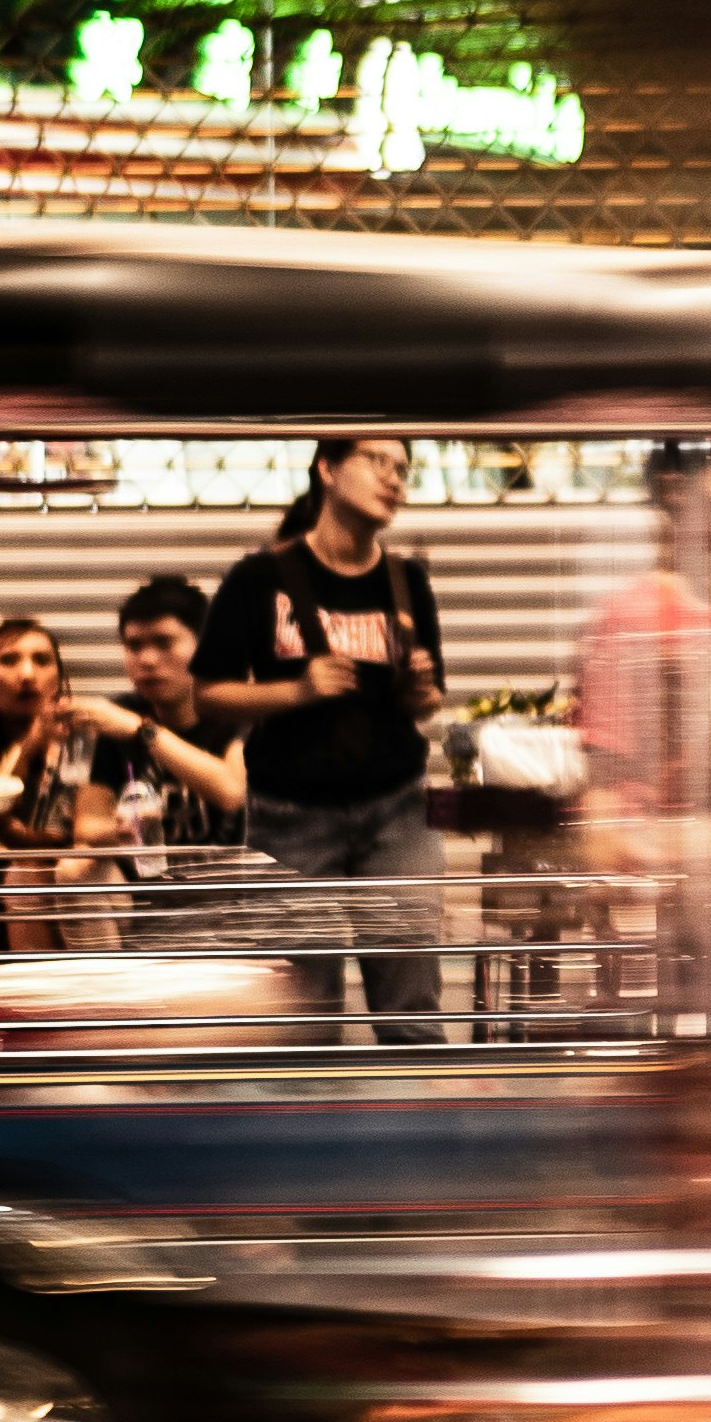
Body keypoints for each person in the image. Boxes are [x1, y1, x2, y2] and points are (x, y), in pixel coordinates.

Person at [198, 436, 451, 1041]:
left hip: (396, 812)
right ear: (329, 469)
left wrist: (421, 689)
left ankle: (422, 1128)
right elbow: (207, 693)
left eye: (403, 468)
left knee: (411, 1009)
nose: (394, 478)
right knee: (301, 1018)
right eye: (377, 461)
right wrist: (296, 693)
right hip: (290, 818)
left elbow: (429, 701)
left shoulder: (405, 579)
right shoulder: (259, 578)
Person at [0, 613, 115, 949]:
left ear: (58, 676)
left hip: (62, 872)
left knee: (25, 874)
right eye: (9, 660)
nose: (27, 674)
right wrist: (30, 746)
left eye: (42, 661)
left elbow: (81, 836)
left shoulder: (86, 738)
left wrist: (20, 840)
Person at [74, 574, 253, 856]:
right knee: (75, 870)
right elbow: (87, 826)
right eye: (134, 646)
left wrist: (142, 731)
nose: (146, 660)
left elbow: (231, 791)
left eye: (164, 643)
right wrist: (122, 830)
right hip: (144, 880)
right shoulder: (121, 715)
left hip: (230, 881)